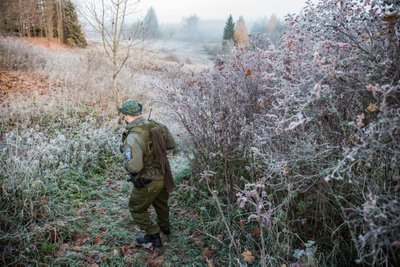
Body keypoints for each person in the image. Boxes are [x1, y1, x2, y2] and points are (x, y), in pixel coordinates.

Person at [119, 99, 176, 247]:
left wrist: (124, 162)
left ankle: (153, 235)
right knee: (161, 204)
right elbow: (171, 144)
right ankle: (166, 229)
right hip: (163, 173)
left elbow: (135, 167)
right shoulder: (157, 125)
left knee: (135, 208)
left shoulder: (133, 137)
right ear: (139, 112)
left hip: (148, 179)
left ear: (125, 116)